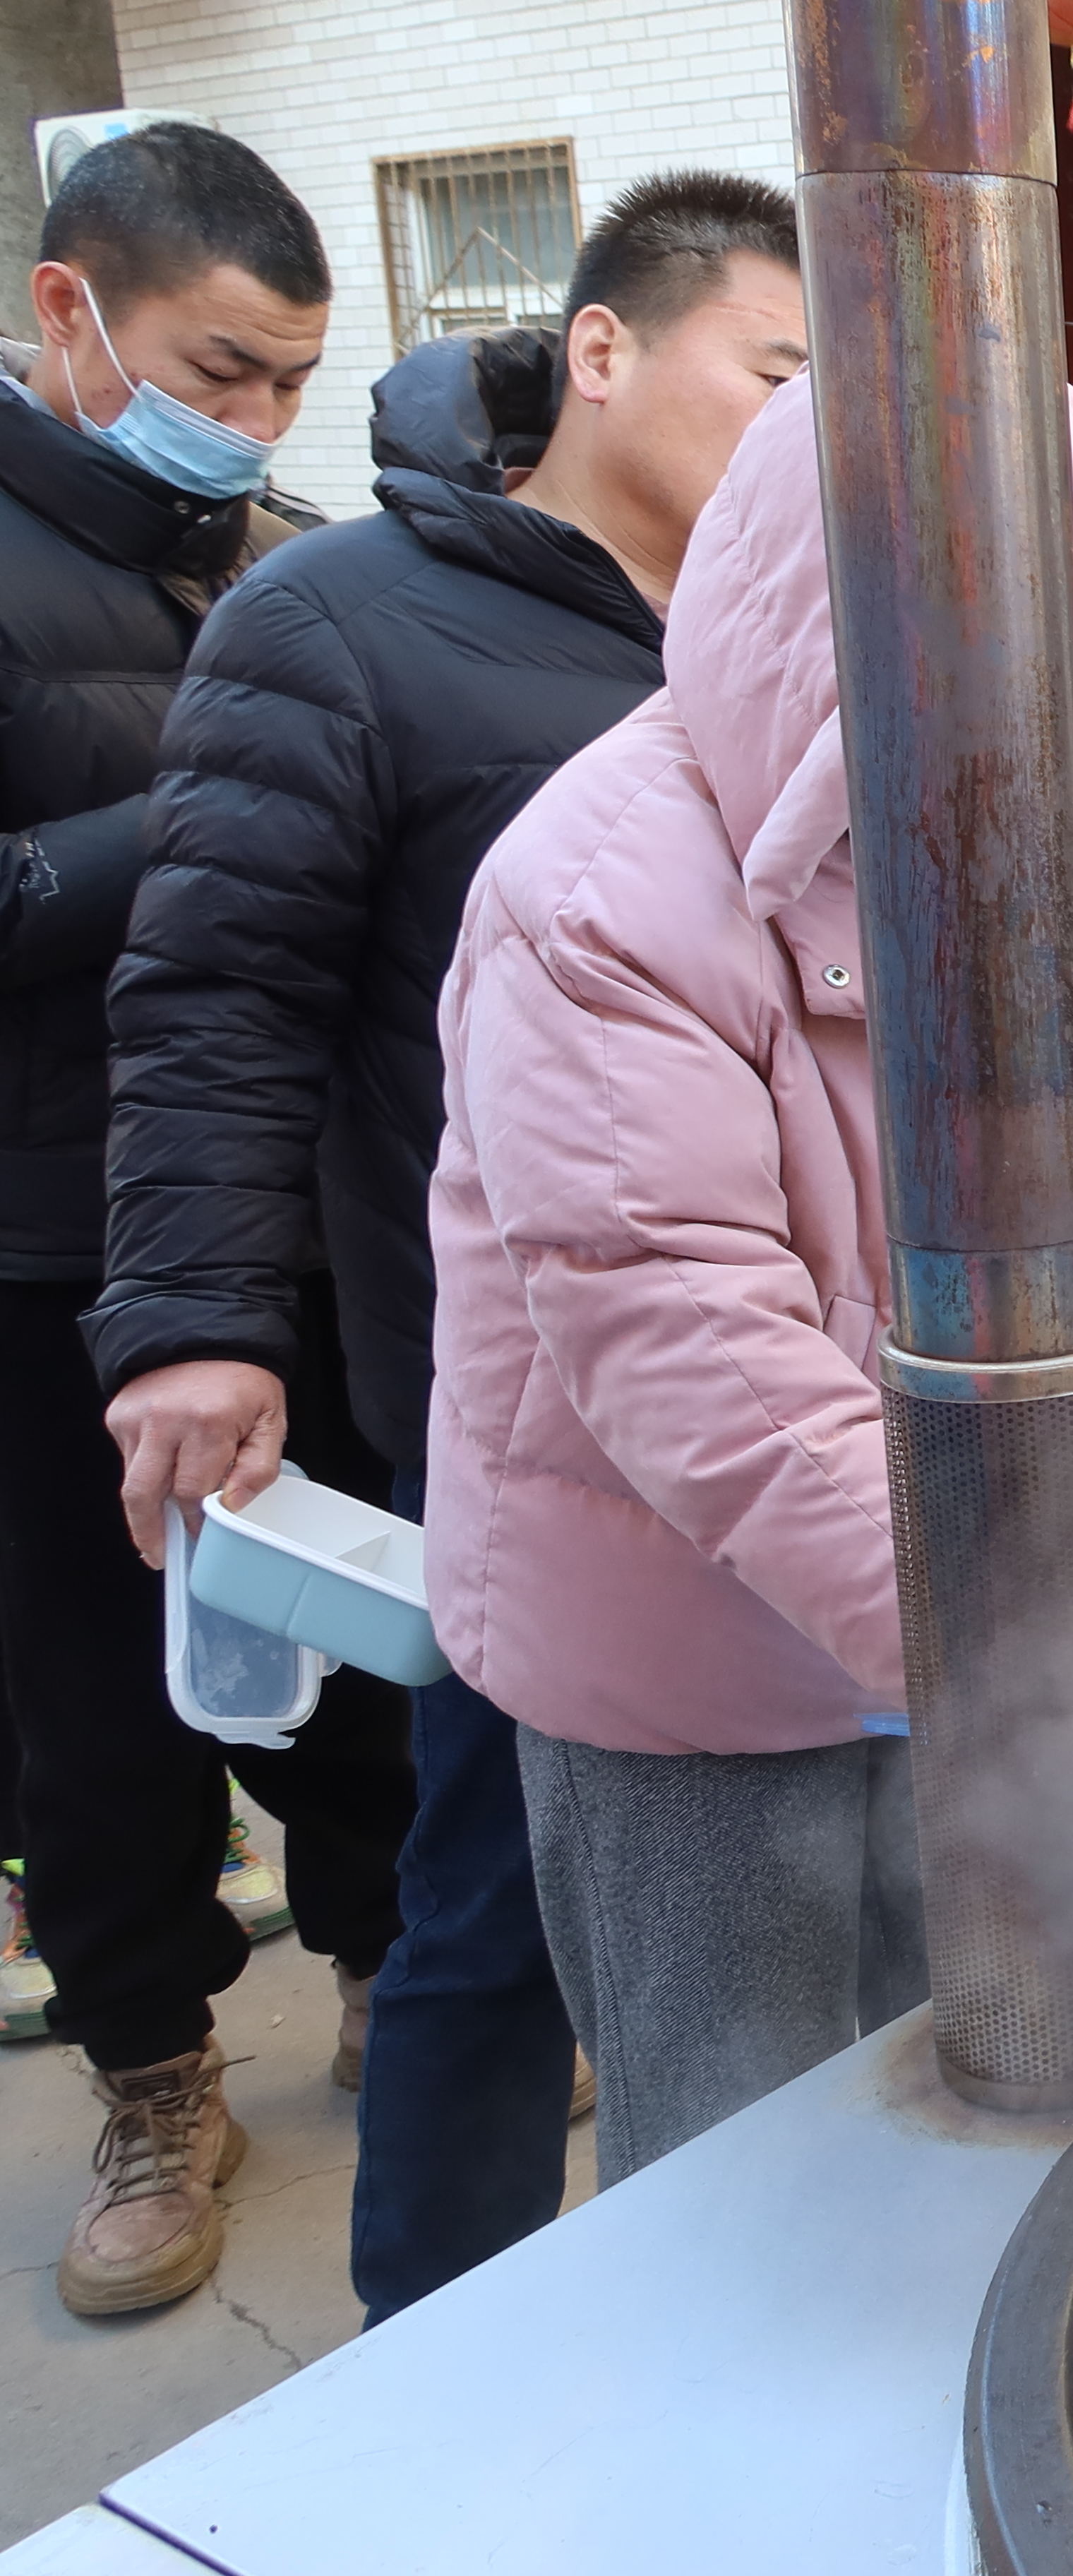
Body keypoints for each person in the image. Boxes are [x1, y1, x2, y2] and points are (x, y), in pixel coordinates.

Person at [91, 172, 809, 2319]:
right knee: (489, 1914)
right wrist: (201, 1325)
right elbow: (218, 994)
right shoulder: (342, 625)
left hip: (784, 1378)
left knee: (774, 1912)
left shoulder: (795, 633)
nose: (807, 429)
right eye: (775, 372)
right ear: (601, 351)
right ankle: (434, 2367)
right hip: (527, 1418)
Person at [422, 378, 1073, 2181]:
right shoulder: (599, 903)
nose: (1057, 754)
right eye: (1004, 702)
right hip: (685, 1677)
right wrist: (1023, 1682)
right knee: (739, 2133)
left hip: (957, 1612)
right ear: (835, 664)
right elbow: (686, 1349)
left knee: (969, 2079)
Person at [0, 121, 424, 2321]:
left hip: (304, 1214)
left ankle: (371, 1960)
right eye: (219, 367)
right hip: (50, 1231)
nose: (251, 422)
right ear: (72, 311)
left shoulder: (284, 557)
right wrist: (225, 790)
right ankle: (157, 2071)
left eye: (287, 383)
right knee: (98, 1692)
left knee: (351, 1618)